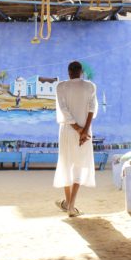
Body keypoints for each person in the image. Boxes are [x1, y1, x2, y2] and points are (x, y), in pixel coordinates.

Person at [53, 61, 98, 217]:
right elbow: (92, 109)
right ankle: (71, 206)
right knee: (78, 165)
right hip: (84, 133)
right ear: (81, 72)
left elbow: (63, 110)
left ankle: (68, 204)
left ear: (68, 72)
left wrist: (78, 129)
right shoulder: (90, 86)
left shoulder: (61, 87)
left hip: (67, 130)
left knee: (66, 164)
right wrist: (84, 130)